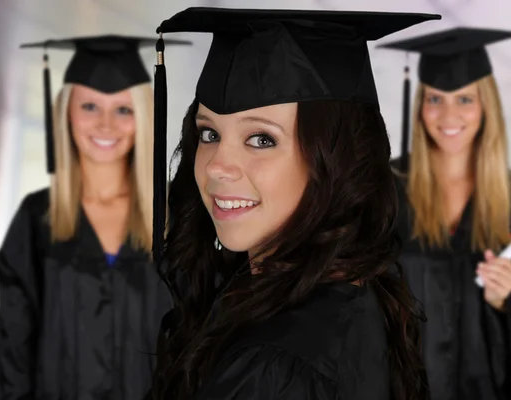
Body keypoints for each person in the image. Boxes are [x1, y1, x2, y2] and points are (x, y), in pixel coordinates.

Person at [146, 7, 442, 400]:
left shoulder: (273, 366)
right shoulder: (359, 294)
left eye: (261, 139)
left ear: (334, 160)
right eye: (209, 133)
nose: (217, 166)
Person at [0, 35, 189, 400]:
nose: (106, 125)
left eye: (124, 109)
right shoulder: (37, 220)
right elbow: (12, 353)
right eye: (90, 106)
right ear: (65, 112)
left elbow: (207, 338)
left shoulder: (181, 214)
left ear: (144, 117)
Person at [379, 27, 511, 400]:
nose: (448, 115)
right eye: (434, 99)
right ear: (420, 106)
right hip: (408, 390)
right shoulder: (386, 192)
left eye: (464, 99)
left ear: (485, 105)